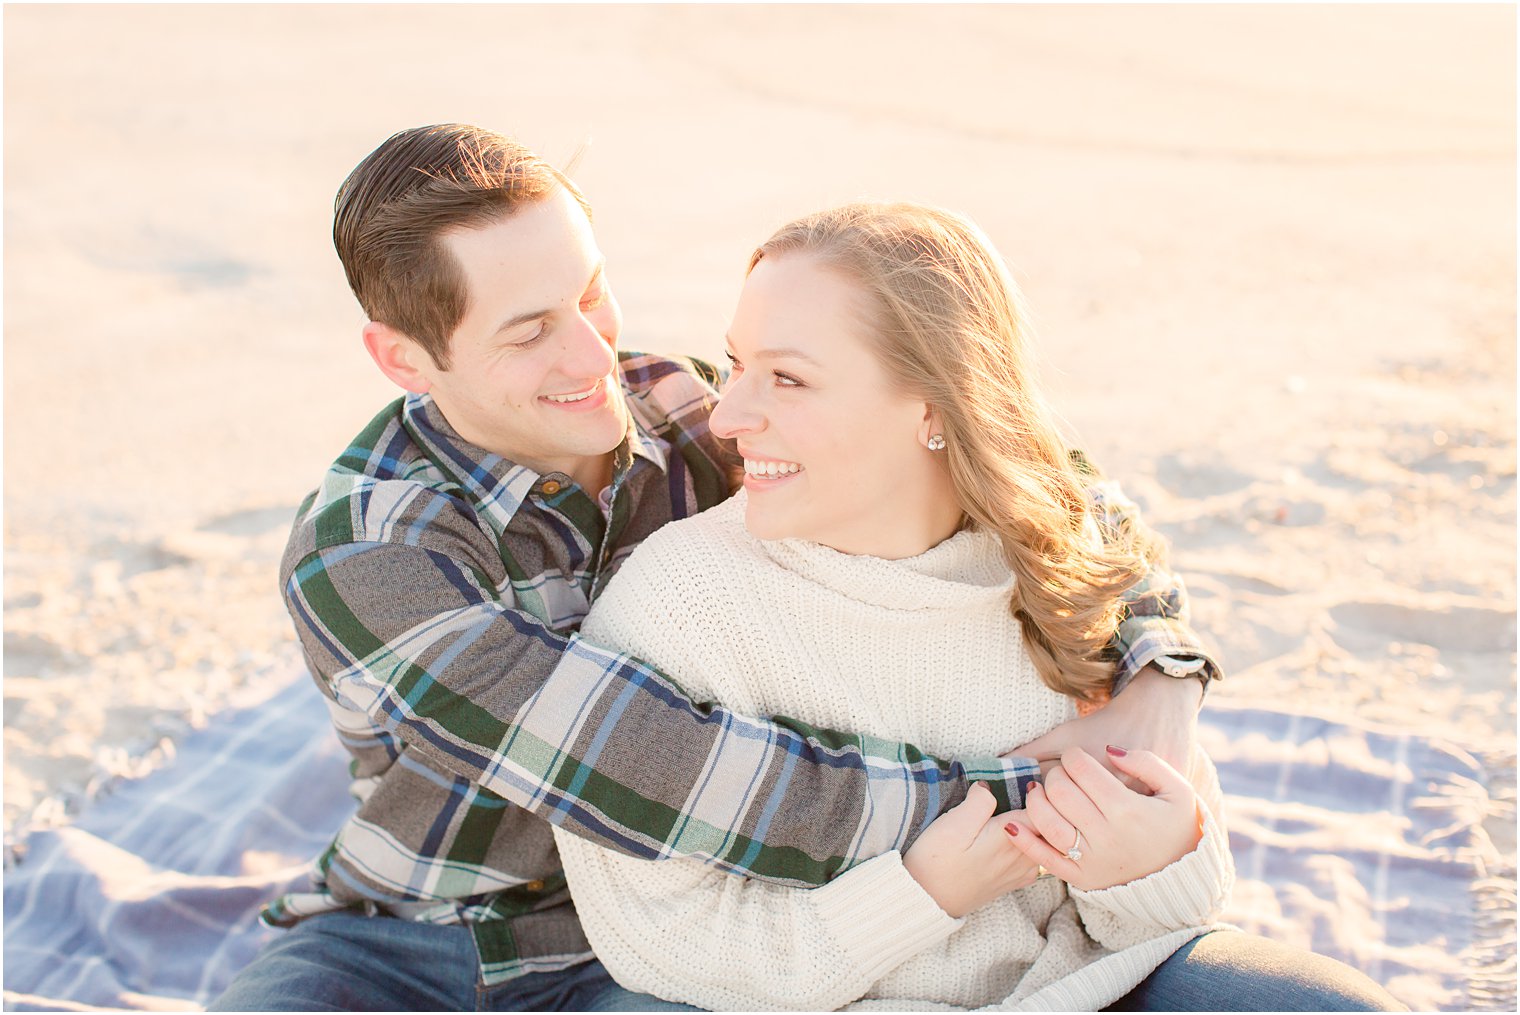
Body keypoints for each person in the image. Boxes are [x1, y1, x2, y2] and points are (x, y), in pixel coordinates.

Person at [211, 125, 1219, 1012]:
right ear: (402, 360)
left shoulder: (689, 409)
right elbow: (665, 767)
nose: (589, 355)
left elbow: (1006, 455)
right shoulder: (368, 555)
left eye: (591, 295)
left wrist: (1159, 668)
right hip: (418, 932)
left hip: (647, 945)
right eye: (529, 332)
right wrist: (1038, 800)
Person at [554, 203, 1408, 1011]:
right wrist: (919, 895)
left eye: (788, 378)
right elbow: (656, 939)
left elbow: (1160, 912)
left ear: (934, 404)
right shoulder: (677, 606)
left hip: (1082, 988)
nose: (729, 414)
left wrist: (1149, 860)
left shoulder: (1053, 561)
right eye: (738, 363)